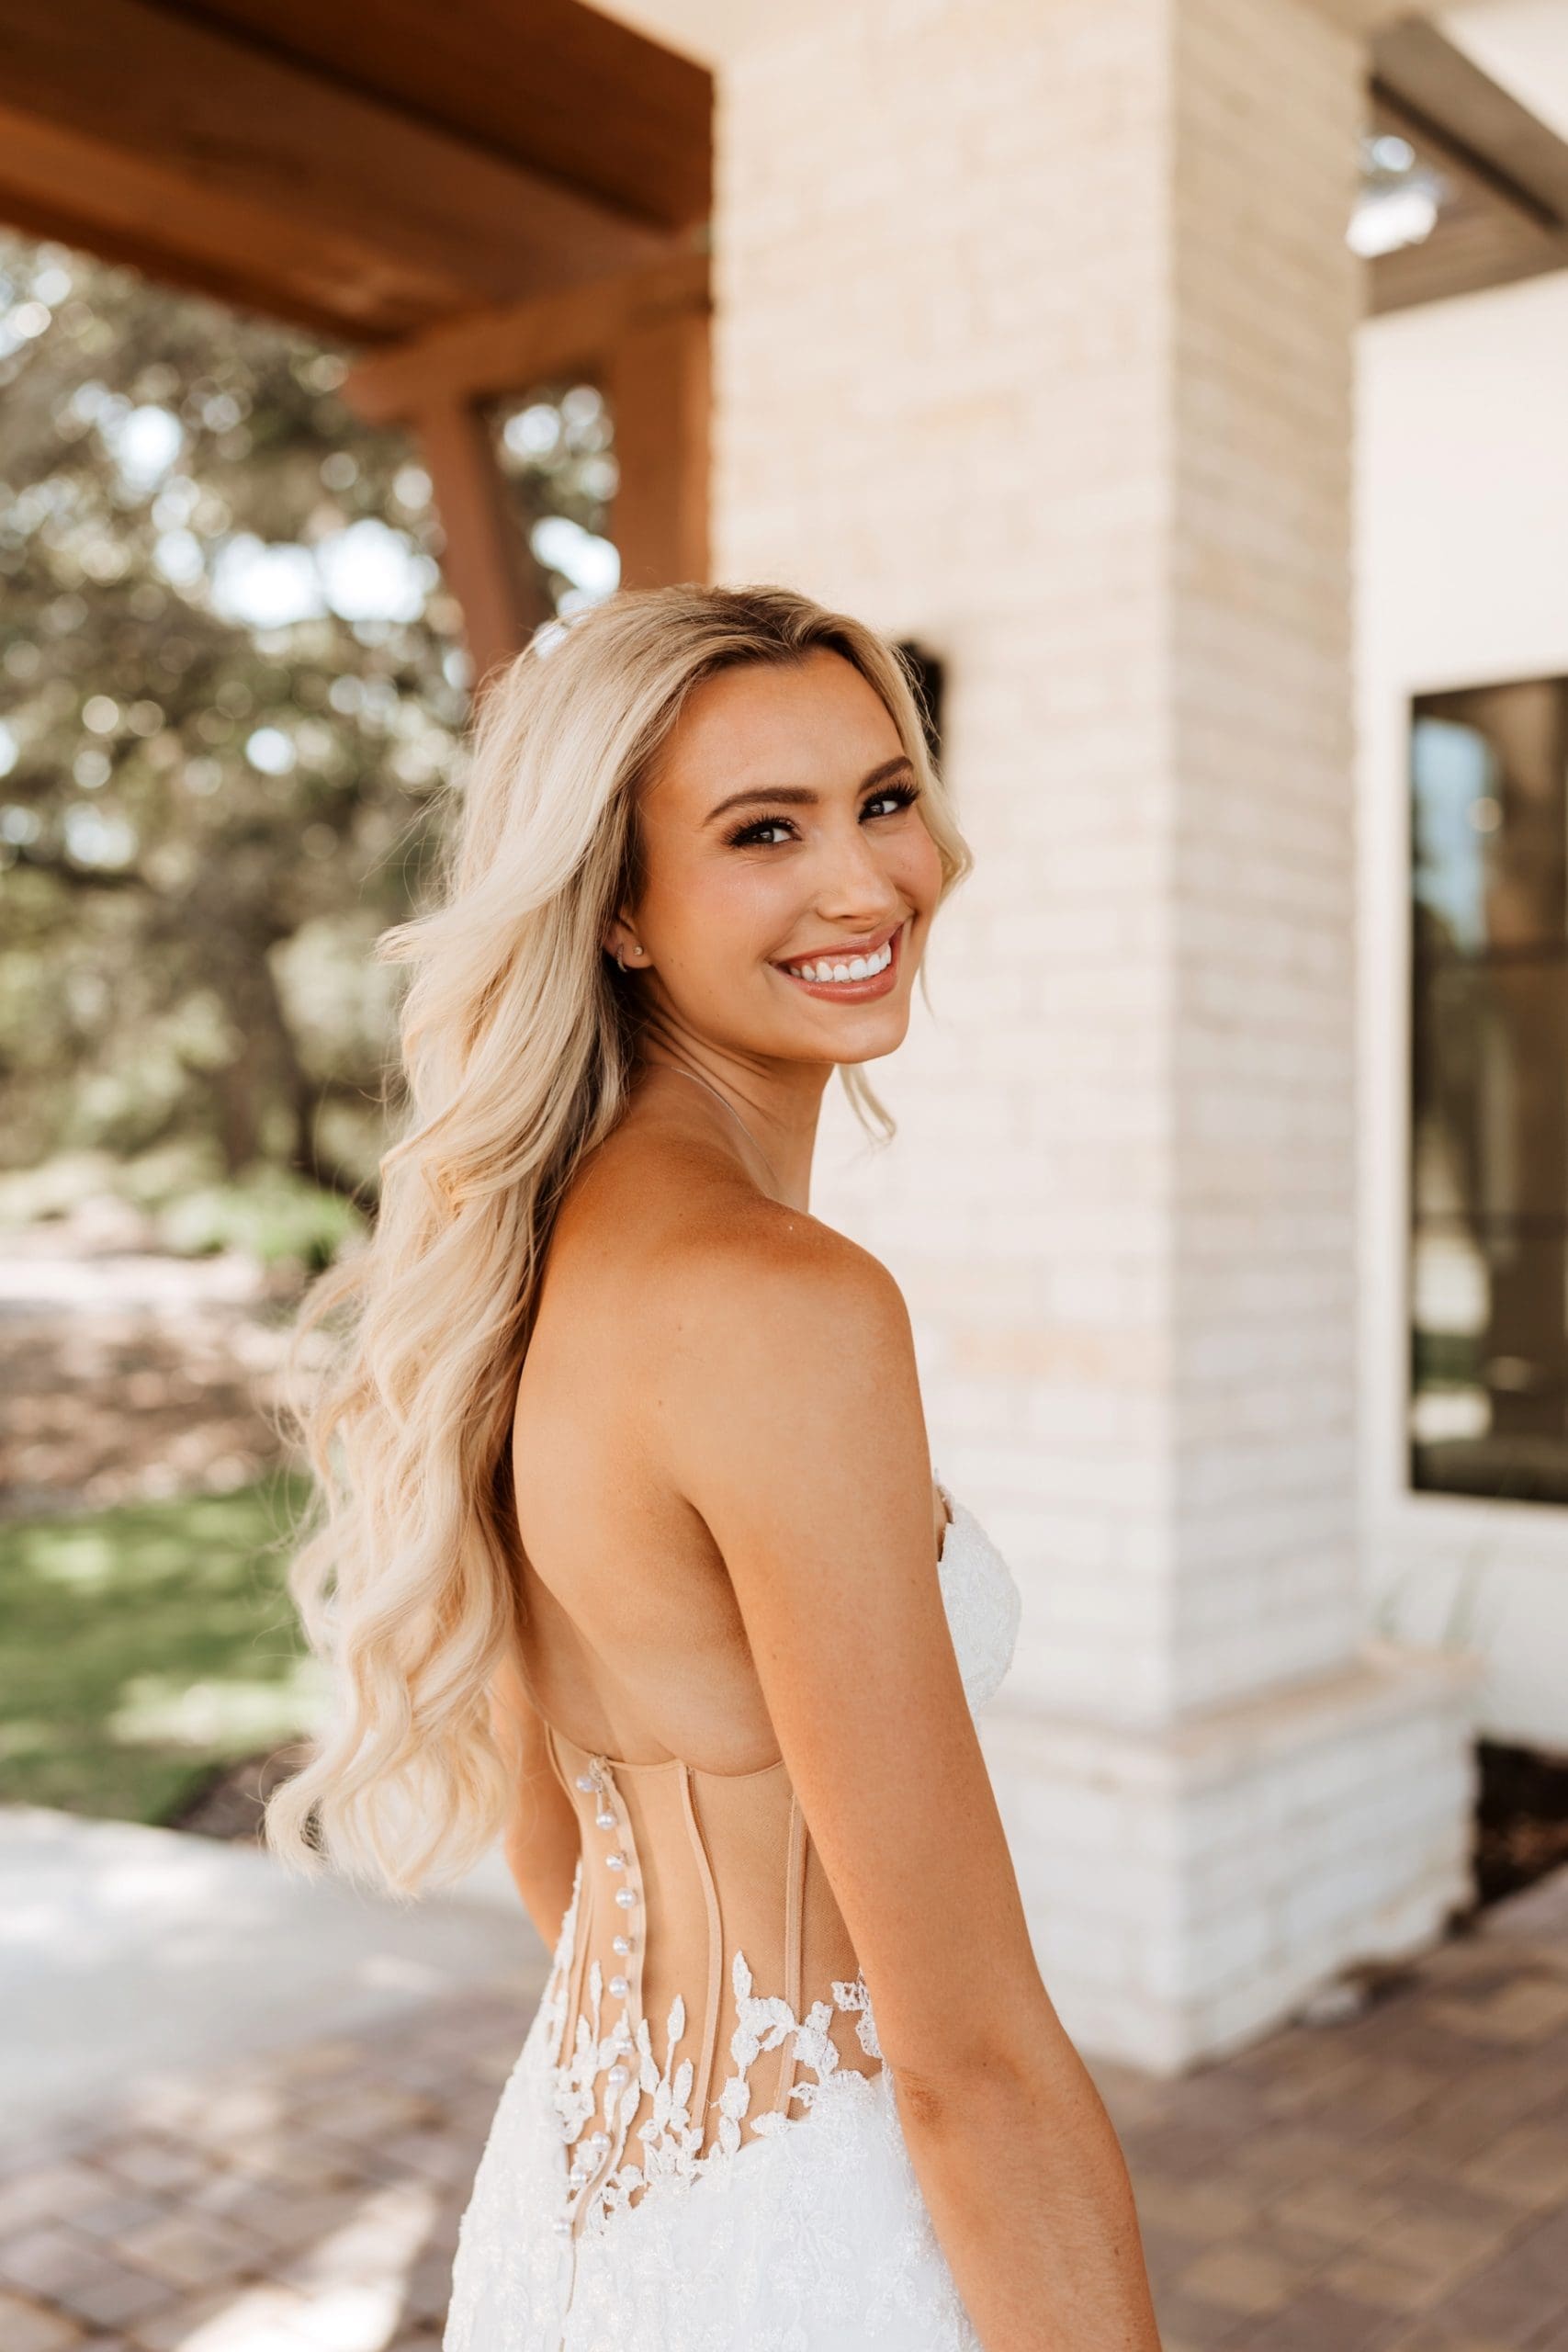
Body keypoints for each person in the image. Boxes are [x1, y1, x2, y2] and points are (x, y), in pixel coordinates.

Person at [267, 585, 1163, 2352]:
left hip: (578, 2205)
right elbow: (968, 2066)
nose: (864, 884)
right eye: (765, 832)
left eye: (884, 798)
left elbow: (559, 1848)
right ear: (614, 908)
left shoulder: (525, 1265)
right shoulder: (782, 1310)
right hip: (818, 2251)